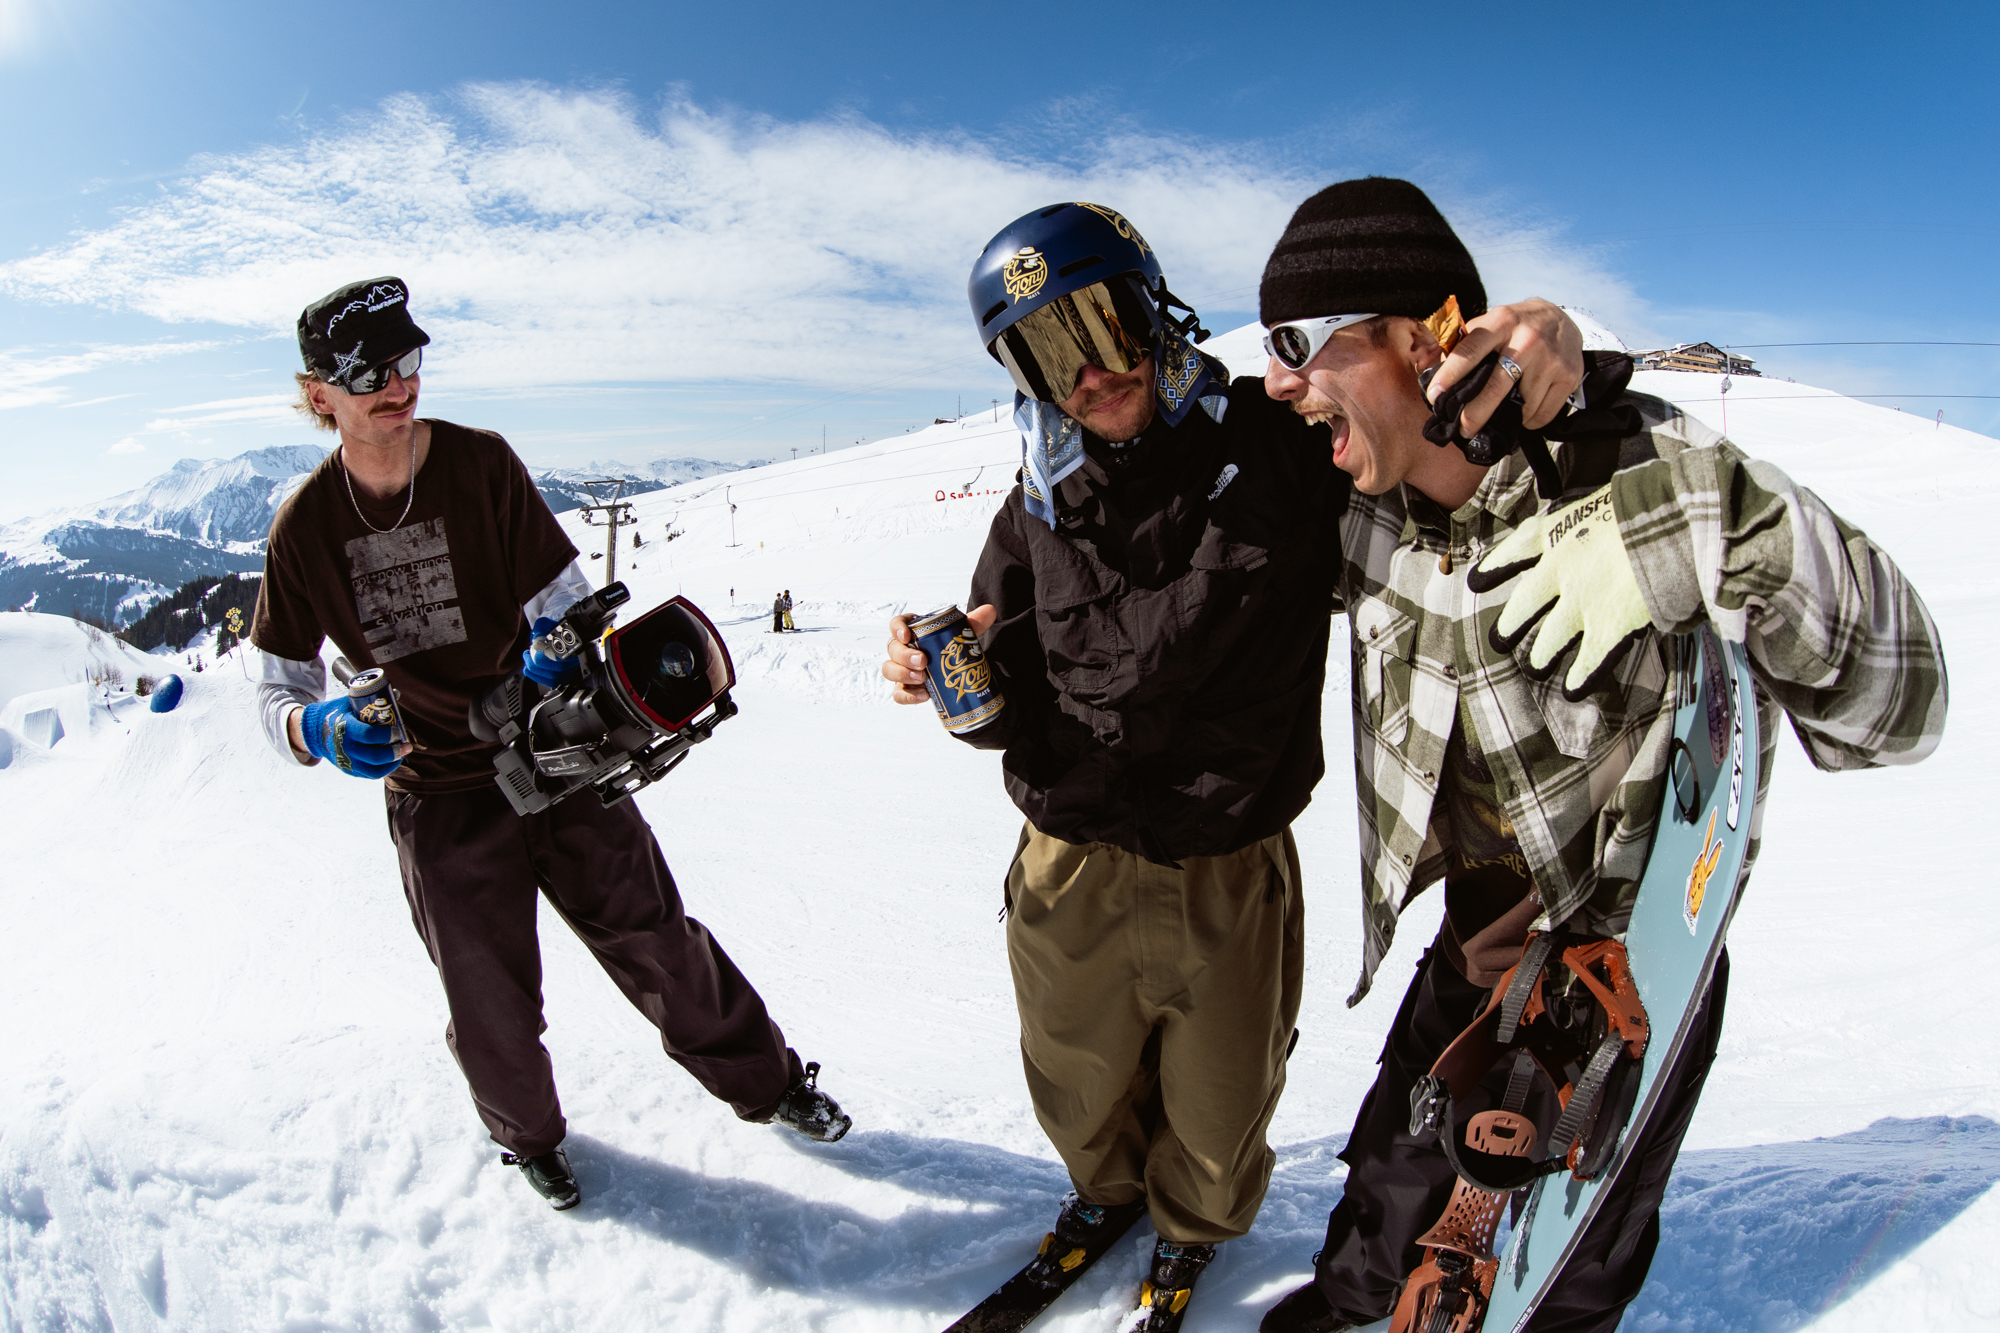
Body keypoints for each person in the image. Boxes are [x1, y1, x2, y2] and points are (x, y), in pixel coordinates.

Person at [1247, 180, 1948, 1333]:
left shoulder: (1630, 469)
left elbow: (1903, 699)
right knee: (1382, 1204)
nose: (1275, 380)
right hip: (1470, 938)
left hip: (1627, 971)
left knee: (1554, 1272)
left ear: (1417, 338)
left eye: (1295, 341)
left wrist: (1701, 532)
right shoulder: (1354, 502)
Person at [879, 204, 1582, 1330]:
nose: (1086, 375)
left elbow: (1429, 425)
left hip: (1227, 860)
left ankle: (1192, 1228)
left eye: (1098, 327)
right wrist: (947, 682)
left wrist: (1540, 342)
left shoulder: (1284, 444)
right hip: (1070, 862)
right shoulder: (1035, 499)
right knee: (1075, 1081)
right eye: (1042, 353)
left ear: (1153, 311)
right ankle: (1105, 1199)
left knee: (1217, 1109)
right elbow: (1006, 692)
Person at [251, 277, 851, 1212]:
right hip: (437, 794)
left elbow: (565, 596)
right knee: (488, 999)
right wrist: (311, 725)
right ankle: (528, 1139)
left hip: (552, 753)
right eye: (370, 371)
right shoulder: (306, 528)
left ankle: (772, 1085)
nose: (399, 384)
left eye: (409, 358)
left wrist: (556, 646)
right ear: (319, 392)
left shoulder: (481, 464)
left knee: (659, 942)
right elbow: (278, 685)